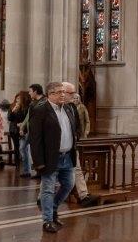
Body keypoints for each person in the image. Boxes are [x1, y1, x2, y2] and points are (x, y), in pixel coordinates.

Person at [29, 81, 81, 233]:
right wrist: (38, 162)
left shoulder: (69, 108)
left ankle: (52, 208)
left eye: (64, 92)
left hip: (67, 156)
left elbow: (74, 129)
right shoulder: (40, 110)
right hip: (50, 157)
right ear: (50, 94)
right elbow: (35, 139)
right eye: (59, 92)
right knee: (48, 189)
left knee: (69, 184)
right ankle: (47, 220)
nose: (63, 95)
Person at [63, 81, 98, 207]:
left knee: (77, 169)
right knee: (51, 174)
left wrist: (77, 136)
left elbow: (77, 124)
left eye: (74, 93)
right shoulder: (54, 108)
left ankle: (84, 195)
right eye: (71, 93)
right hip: (58, 147)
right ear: (62, 92)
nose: (73, 95)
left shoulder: (72, 107)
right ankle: (42, 197)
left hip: (72, 145)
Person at [8, 91, 33, 178]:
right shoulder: (12, 106)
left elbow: (25, 118)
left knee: (23, 148)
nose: (17, 100)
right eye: (16, 98)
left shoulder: (27, 107)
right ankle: (18, 166)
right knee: (18, 148)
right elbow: (10, 118)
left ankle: (27, 169)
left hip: (23, 131)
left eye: (19, 98)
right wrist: (14, 110)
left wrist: (22, 125)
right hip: (14, 130)